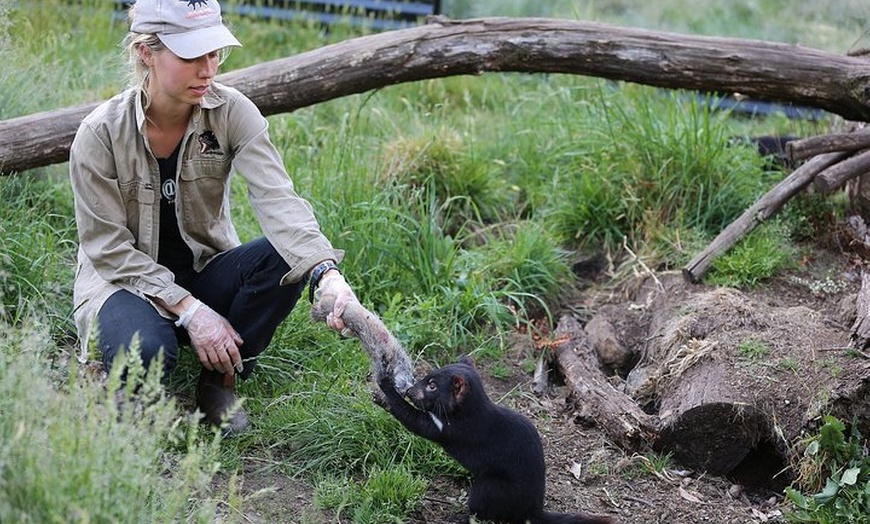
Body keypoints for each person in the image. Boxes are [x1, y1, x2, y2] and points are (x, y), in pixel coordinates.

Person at [69, 0, 357, 436]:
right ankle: (129, 376)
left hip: (203, 268)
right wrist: (191, 312)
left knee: (284, 257)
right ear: (147, 52)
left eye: (215, 53)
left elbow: (279, 200)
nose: (208, 69)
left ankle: (219, 381)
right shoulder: (100, 134)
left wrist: (326, 274)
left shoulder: (232, 112)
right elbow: (107, 251)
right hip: (123, 283)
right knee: (146, 352)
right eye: (191, 55)